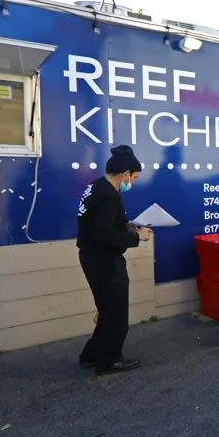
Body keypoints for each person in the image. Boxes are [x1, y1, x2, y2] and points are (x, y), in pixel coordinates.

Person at [76, 145, 152, 375]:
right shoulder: (109, 196)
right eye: (134, 177)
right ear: (125, 173)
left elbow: (103, 224)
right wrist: (136, 236)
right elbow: (105, 235)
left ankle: (91, 355)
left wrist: (128, 226)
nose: (134, 183)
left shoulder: (96, 186)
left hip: (91, 257)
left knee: (107, 308)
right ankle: (108, 360)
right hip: (104, 261)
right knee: (116, 312)